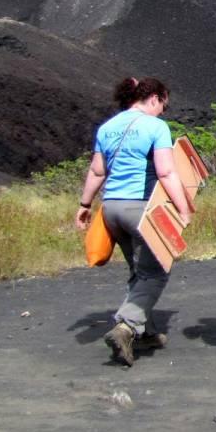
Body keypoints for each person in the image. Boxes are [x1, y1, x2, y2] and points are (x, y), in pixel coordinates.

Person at [75, 78, 192, 367]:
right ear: (154, 97)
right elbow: (166, 172)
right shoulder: (155, 127)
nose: (163, 111)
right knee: (156, 272)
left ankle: (146, 333)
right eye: (163, 104)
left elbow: (97, 171)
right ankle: (126, 326)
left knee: (139, 270)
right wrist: (183, 207)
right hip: (140, 208)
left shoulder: (107, 127)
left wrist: (84, 204)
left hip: (111, 208)